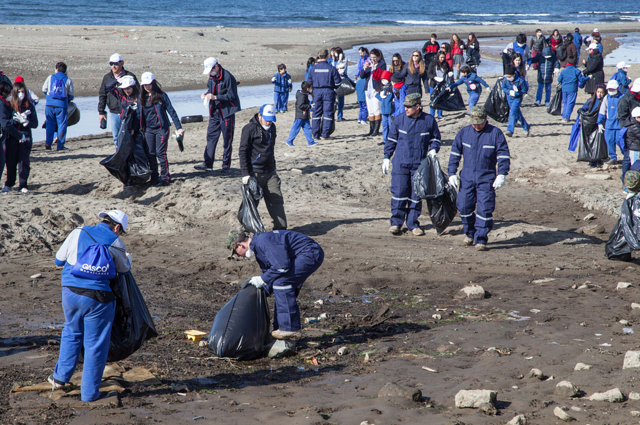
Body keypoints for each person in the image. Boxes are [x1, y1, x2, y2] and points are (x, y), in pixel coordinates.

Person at [49, 210, 131, 402]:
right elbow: (124, 269)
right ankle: (90, 394)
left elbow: (58, 260)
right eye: (121, 231)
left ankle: (60, 379)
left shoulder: (78, 231)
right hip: (98, 299)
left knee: (71, 332)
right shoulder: (115, 242)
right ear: (117, 227)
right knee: (95, 344)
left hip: (70, 293)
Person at [226, 229, 324, 340]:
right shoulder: (259, 249)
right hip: (298, 256)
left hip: (310, 253)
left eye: (235, 252)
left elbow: (282, 266)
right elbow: (271, 275)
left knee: (282, 283)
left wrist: (262, 279)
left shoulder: (263, 241)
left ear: (240, 245)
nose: (238, 256)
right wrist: (258, 292)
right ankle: (280, 329)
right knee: (280, 284)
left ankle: (290, 328)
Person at [448, 106, 510, 251]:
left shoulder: (495, 134)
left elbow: (503, 155)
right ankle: (470, 233)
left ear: (486, 119)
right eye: (474, 123)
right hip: (467, 178)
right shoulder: (464, 133)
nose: (476, 125)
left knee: (485, 209)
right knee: (463, 206)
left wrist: (502, 174)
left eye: (479, 122)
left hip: (486, 178)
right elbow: (455, 154)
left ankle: (481, 238)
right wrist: (451, 173)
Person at [382, 93, 441, 236]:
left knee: (416, 195)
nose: (406, 109)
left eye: (409, 107)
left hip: (419, 165)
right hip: (401, 163)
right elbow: (391, 140)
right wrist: (386, 157)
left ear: (417, 106)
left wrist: (433, 149)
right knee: (399, 193)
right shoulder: (399, 120)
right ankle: (396, 223)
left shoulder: (429, 120)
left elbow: (436, 139)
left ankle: (413, 224)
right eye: (405, 106)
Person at [239, 104, 287, 230]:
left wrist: (274, 168)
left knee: (276, 200)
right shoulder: (249, 129)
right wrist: (245, 174)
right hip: (254, 173)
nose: (269, 122)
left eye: (271, 119)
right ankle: (247, 231)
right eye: (266, 119)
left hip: (270, 171)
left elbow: (271, 150)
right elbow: (243, 151)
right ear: (259, 116)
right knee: (251, 203)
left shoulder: (272, 128)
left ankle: (280, 230)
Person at [196, 57, 241, 172]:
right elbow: (210, 90)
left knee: (227, 139)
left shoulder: (228, 77)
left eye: (211, 69)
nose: (210, 73)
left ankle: (226, 165)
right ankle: (207, 163)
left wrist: (216, 97)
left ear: (216, 66)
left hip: (227, 112)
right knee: (211, 137)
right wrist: (206, 94)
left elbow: (232, 96)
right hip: (214, 112)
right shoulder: (211, 78)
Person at [139, 72, 184, 186]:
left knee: (161, 153)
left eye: (149, 84)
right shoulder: (141, 98)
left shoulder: (161, 95)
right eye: (145, 85)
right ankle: (154, 178)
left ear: (153, 83)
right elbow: (138, 116)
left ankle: (165, 178)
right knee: (151, 154)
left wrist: (179, 128)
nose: (147, 87)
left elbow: (171, 111)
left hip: (162, 129)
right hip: (149, 130)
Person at [2, 80, 38, 194]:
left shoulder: (29, 106)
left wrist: (27, 122)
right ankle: (9, 183)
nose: (21, 94)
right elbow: (5, 122)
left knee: (24, 161)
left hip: (25, 136)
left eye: (22, 92)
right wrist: (14, 121)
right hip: (12, 137)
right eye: (18, 92)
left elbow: (35, 123)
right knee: (11, 161)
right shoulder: (10, 105)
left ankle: (23, 184)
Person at [98, 53, 138, 148]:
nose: (113, 66)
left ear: (122, 63)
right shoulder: (107, 78)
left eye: (115, 63)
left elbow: (138, 93)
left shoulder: (130, 76)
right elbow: (102, 94)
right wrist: (101, 112)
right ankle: (119, 157)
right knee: (116, 137)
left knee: (129, 136)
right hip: (113, 112)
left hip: (128, 113)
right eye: (111, 64)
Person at [306, 49, 341, 140]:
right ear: (327, 56)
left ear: (319, 57)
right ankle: (325, 135)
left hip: (316, 92)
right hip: (328, 91)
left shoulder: (313, 69)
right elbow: (338, 83)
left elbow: (308, 83)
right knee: (327, 113)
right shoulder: (331, 68)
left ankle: (316, 135)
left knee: (316, 113)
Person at [42, 62, 74, 151]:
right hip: (62, 106)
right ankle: (60, 145)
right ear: (65, 70)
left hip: (49, 105)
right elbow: (71, 95)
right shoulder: (68, 80)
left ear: (56, 69)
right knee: (62, 125)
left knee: (50, 124)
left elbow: (44, 89)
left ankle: (48, 143)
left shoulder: (50, 77)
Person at [0, 81, 24, 189]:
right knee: (1, 162)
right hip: (2, 137)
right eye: (9, 93)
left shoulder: (4, 103)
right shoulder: (2, 104)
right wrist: (19, 135)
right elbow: (5, 124)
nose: (11, 95)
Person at [361, 48, 387, 138]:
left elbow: (380, 76)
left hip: (376, 89)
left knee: (377, 109)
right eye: (371, 57)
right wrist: (364, 68)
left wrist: (374, 67)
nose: (373, 59)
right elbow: (362, 76)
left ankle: (376, 130)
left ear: (378, 57)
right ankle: (371, 130)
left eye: (374, 57)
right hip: (368, 89)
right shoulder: (368, 63)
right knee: (370, 110)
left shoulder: (382, 64)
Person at [579, 85, 606, 167]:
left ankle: (599, 159)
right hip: (591, 125)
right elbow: (583, 108)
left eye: (601, 92)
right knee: (591, 142)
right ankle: (592, 160)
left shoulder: (605, 101)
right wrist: (581, 111)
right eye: (598, 92)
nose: (599, 94)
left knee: (600, 143)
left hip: (601, 124)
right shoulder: (591, 101)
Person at [598, 80, 623, 165]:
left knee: (620, 141)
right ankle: (613, 157)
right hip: (609, 124)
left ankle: (627, 156)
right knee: (609, 141)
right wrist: (599, 122)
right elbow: (602, 110)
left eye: (613, 89)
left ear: (617, 88)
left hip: (619, 124)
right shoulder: (606, 98)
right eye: (610, 89)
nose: (611, 91)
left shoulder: (622, 97)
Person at [502, 65, 531, 137]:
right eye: (507, 77)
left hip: (517, 98)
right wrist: (509, 92)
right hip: (509, 98)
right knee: (517, 114)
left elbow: (524, 90)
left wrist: (516, 93)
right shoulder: (505, 79)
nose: (508, 78)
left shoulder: (520, 80)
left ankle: (510, 130)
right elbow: (503, 87)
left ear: (513, 75)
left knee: (512, 113)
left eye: (509, 77)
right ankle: (526, 127)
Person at [285, 81, 316, 147]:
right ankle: (289, 141)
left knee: (307, 128)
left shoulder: (305, 94)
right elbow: (300, 106)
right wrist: (310, 106)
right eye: (310, 88)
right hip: (300, 115)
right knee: (295, 128)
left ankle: (310, 141)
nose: (311, 89)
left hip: (305, 115)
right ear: (307, 88)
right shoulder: (302, 95)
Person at [427, 52, 451, 119]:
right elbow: (428, 74)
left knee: (441, 99)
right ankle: (432, 115)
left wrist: (450, 73)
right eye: (441, 57)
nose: (442, 59)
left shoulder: (445, 64)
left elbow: (449, 71)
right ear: (438, 57)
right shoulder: (432, 64)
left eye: (443, 57)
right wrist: (434, 77)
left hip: (442, 84)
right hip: (434, 84)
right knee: (433, 99)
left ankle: (439, 115)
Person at [375, 71, 394, 146]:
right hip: (383, 110)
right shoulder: (382, 88)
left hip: (390, 111)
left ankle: (392, 139)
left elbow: (389, 98)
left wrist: (384, 96)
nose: (383, 81)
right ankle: (385, 139)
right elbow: (380, 98)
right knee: (384, 125)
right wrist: (379, 95)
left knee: (391, 125)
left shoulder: (391, 89)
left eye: (385, 79)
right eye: (382, 79)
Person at [330, 47, 348, 121]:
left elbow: (342, 69)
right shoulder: (332, 61)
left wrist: (339, 60)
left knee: (341, 100)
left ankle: (340, 116)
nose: (335, 54)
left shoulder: (344, 60)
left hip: (341, 81)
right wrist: (334, 59)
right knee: (334, 100)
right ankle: (333, 116)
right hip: (334, 82)